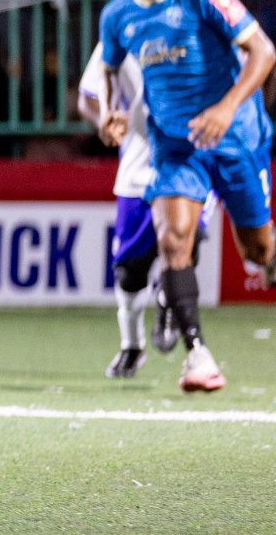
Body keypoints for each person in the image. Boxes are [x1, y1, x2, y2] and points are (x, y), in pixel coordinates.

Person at [98, 0, 276, 393]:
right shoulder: (116, 16)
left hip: (237, 138)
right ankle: (198, 356)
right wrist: (111, 114)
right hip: (175, 146)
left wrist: (225, 108)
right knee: (174, 240)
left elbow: (264, 52)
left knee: (257, 251)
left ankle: (269, 252)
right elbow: (110, 75)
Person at [79, 42, 213, 377]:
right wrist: (105, 120)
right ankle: (132, 346)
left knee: (185, 244)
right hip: (139, 165)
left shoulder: (203, 19)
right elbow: (87, 98)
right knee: (129, 270)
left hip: (190, 161)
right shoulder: (123, 25)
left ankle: (175, 311)